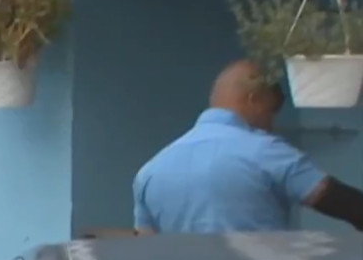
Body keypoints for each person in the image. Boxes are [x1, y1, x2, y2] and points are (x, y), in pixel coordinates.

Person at [133, 59, 363, 234]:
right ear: (253, 99)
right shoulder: (267, 153)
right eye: (271, 111)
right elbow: (347, 204)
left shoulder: (150, 172)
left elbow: (146, 249)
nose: (271, 124)